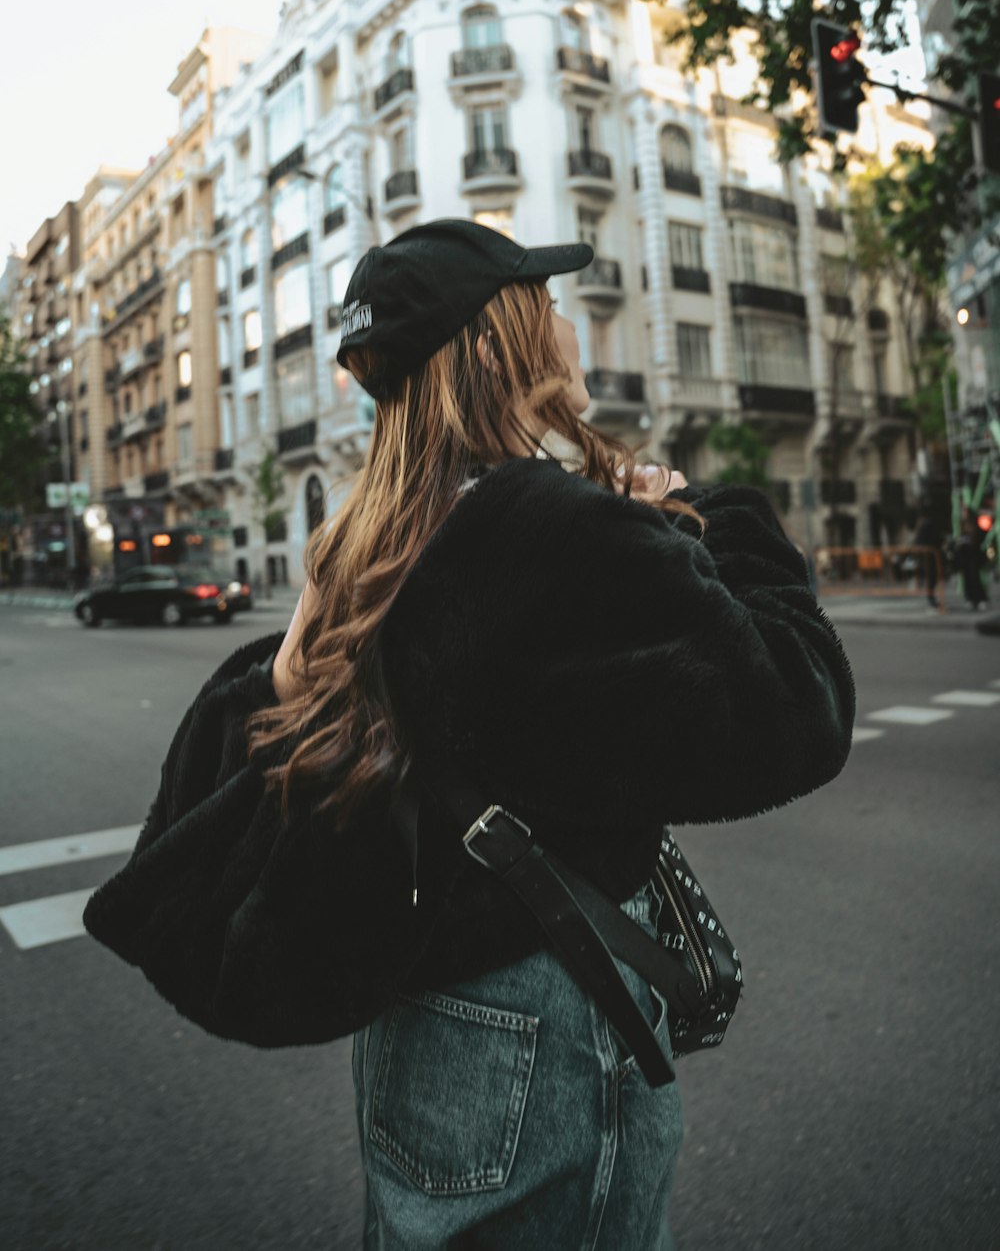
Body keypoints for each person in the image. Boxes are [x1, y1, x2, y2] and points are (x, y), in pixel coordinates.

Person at [85, 218, 856, 1250]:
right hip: (546, 1020)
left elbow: (268, 733)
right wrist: (714, 514)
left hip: (425, 1019)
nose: (570, 331)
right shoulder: (560, 530)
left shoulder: (364, 543)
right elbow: (793, 717)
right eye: (547, 310)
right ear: (497, 347)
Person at [955, 505, 990, 611]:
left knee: (975, 578)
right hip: (966, 557)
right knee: (968, 579)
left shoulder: (976, 527)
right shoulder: (963, 527)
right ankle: (971, 599)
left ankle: (980, 599)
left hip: (973, 557)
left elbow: (979, 540)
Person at [911, 507, 942, 609]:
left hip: (926, 556)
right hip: (929, 556)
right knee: (932, 577)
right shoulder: (927, 525)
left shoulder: (922, 526)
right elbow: (935, 539)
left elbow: (917, 542)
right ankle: (931, 598)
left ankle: (931, 597)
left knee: (931, 578)